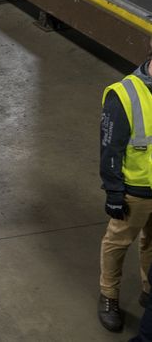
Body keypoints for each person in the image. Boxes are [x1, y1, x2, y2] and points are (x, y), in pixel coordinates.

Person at [98, 46, 152, 332]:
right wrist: (114, 191)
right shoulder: (124, 95)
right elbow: (110, 149)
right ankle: (109, 295)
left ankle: (148, 289)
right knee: (118, 243)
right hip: (135, 190)